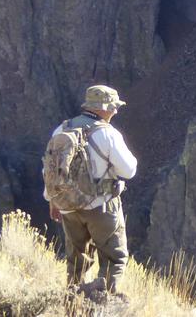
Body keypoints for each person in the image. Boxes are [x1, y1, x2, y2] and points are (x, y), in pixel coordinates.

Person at [45, 84, 138, 295]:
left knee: (76, 261)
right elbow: (129, 170)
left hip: (67, 206)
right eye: (114, 107)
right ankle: (104, 304)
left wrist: (53, 200)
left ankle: (74, 304)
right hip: (101, 206)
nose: (115, 111)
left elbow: (49, 169)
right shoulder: (108, 134)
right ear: (103, 107)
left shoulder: (62, 129)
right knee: (114, 259)